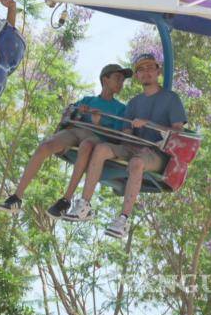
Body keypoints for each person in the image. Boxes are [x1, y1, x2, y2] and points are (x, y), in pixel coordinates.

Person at [65, 53, 187, 239]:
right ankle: (84, 204)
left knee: (137, 163)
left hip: (156, 151)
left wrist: (150, 124)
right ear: (137, 76)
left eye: (150, 68)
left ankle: (123, 220)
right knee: (102, 149)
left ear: (158, 71)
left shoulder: (171, 99)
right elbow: (126, 133)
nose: (146, 73)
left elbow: (178, 132)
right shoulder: (133, 103)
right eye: (141, 69)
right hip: (133, 146)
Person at [0, 64, 133, 217]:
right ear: (105, 79)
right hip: (77, 132)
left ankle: (65, 200)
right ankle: (16, 197)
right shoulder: (88, 100)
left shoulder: (121, 109)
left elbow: (116, 136)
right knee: (45, 146)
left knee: (86, 146)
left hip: (97, 139)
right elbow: (69, 116)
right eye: (118, 78)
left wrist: (97, 122)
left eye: (122, 80)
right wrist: (80, 113)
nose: (121, 83)